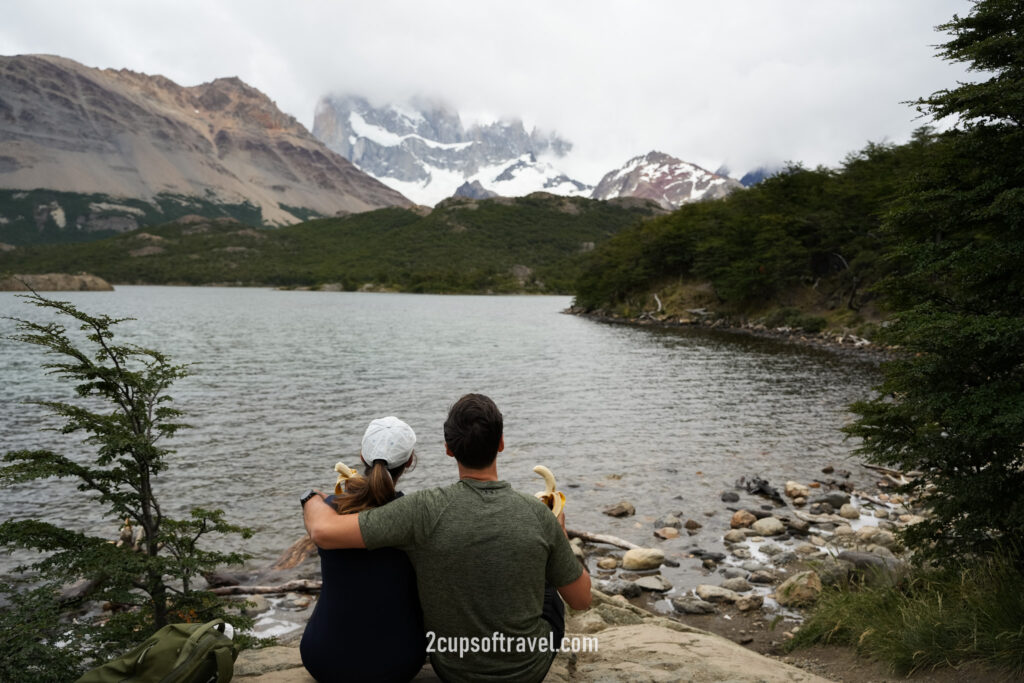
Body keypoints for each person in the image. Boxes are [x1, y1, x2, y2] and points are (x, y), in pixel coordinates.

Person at [303, 394, 591, 683]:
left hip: (454, 669)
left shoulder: (421, 509)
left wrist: (312, 498)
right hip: (529, 670)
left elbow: (324, 532)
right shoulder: (537, 515)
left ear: (448, 449)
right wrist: (559, 533)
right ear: (501, 443)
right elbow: (581, 600)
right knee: (547, 583)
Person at [299, 416, 427, 683]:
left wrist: (312, 496)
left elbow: (318, 517)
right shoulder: (414, 517)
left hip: (323, 659)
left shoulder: (330, 512)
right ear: (410, 461)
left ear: (362, 456)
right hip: (397, 663)